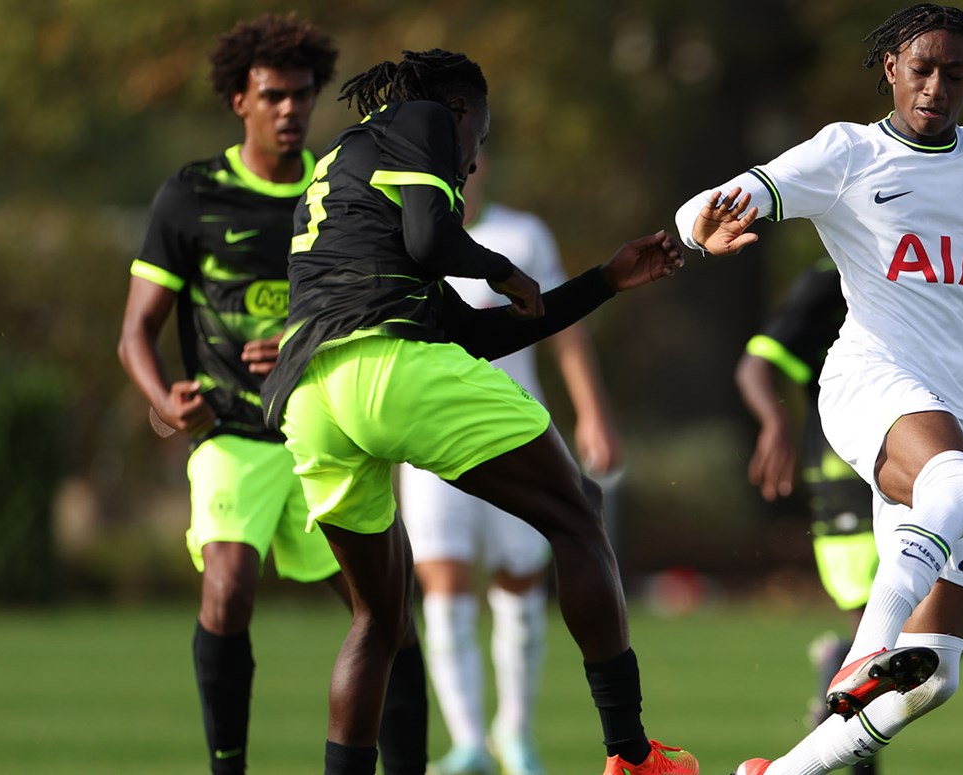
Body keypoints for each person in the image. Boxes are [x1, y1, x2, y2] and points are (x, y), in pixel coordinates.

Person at [678, 5, 963, 773]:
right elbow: (708, 203)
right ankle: (865, 649)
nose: (937, 86)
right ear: (891, 68)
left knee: (935, 675)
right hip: (868, 382)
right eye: (922, 69)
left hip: (951, 414)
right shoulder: (848, 153)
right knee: (962, 485)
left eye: (954, 73)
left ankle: (779, 772)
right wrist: (696, 230)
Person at [257, 49, 696, 775]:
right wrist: (503, 269)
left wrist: (604, 281)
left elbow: (478, 334)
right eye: (479, 138)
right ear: (459, 111)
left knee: (378, 618)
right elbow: (433, 241)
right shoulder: (424, 118)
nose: (470, 160)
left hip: (309, 396)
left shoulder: (348, 168)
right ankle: (632, 755)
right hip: (388, 369)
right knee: (579, 514)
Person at [116, 15, 429, 775]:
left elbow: (388, 304)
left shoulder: (341, 189)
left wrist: (302, 338)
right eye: (273, 96)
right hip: (231, 433)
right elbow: (134, 333)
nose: (291, 109)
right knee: (227, 586)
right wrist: (166, 402)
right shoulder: (192, 196)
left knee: (388, 614)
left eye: (303, 94)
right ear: (239, 101)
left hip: (324, 430)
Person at [401, 149, 624, 775]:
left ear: (483, 163)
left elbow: (564, 328)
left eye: (470, 160)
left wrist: (592, 412)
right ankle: (468, 742)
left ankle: (515, 734)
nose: (462, 173)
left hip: (512, 434)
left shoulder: (522, 235)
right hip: (426, 437)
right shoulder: (408, 238)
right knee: (442, 581)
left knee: (520, 579)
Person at [734, 260, 963, 775]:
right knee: (876, 652)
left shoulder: (932, 274)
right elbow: (755, 363)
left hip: (917, 466)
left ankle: (784, 764)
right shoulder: (827, 282)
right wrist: (774, 420)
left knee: (940, 665)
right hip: (844, 478)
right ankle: (851, 662)